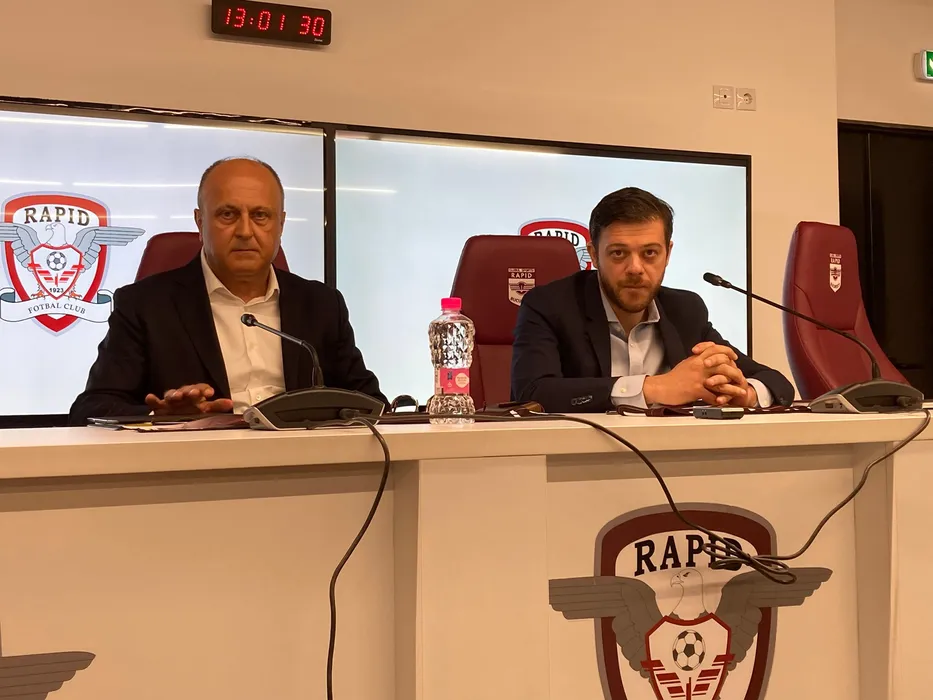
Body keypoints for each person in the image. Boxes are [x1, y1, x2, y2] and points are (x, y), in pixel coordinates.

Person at [68, 157, 384, 423]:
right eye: (228, 214)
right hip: (196, 467)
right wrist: (160, 416)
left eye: (260, 215)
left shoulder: (321, 304)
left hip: (305, 465)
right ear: (200, 222)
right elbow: (91, 408)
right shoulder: (145, 306)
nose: (245, 231)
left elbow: (371, 404)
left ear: (281, 224)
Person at [510, 187, 794, 413]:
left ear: (667, 254)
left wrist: (745, 394)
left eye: (649, 253)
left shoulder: (685, 310)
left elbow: (776, 382)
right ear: (594, 255)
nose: (635, 268)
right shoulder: (550, 306)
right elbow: (532, 393)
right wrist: (654, 388)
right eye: (618, 253)